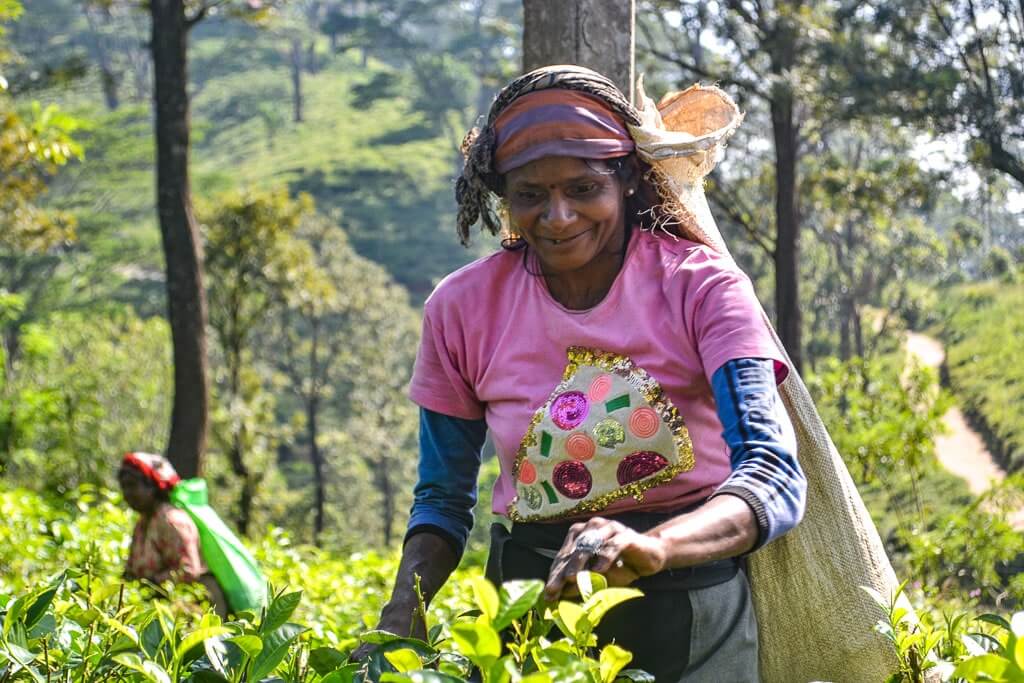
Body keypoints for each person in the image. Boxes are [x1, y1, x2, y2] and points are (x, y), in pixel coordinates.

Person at [364, 65, 807, 681]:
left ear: (624, 178)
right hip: (529, 610)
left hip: (688, 608)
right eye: (530, 195)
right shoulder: (461, 309)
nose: (558, 216)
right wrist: (402, 609)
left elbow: (772, 475)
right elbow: (442, 497)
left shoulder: (702, 289)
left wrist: (654, 548)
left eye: (582, 188)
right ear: (504, 199)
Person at [118, 451, 228, 617]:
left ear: (152, 486)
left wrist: (151, 584)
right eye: (124, 487)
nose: (127, 494)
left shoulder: (172, 521)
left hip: (196, 609)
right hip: (160, 608)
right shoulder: (143, 523)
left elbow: (188, 570)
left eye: (132, 486)